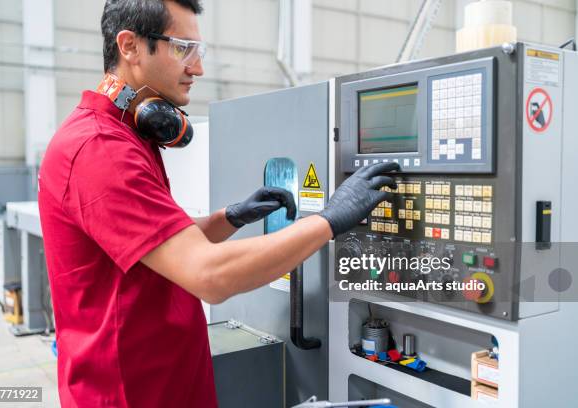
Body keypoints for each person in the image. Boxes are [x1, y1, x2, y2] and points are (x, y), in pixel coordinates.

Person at [37, 0, 400, 406]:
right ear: (130, 46)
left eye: (199, 51)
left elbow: (157, 249)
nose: (198, 68)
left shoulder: (128, 138)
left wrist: (228, 218)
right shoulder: (99, 149)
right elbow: (209, 277)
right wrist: (330, 219)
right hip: (130, 394)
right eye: (182, 48)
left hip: (167, 385)